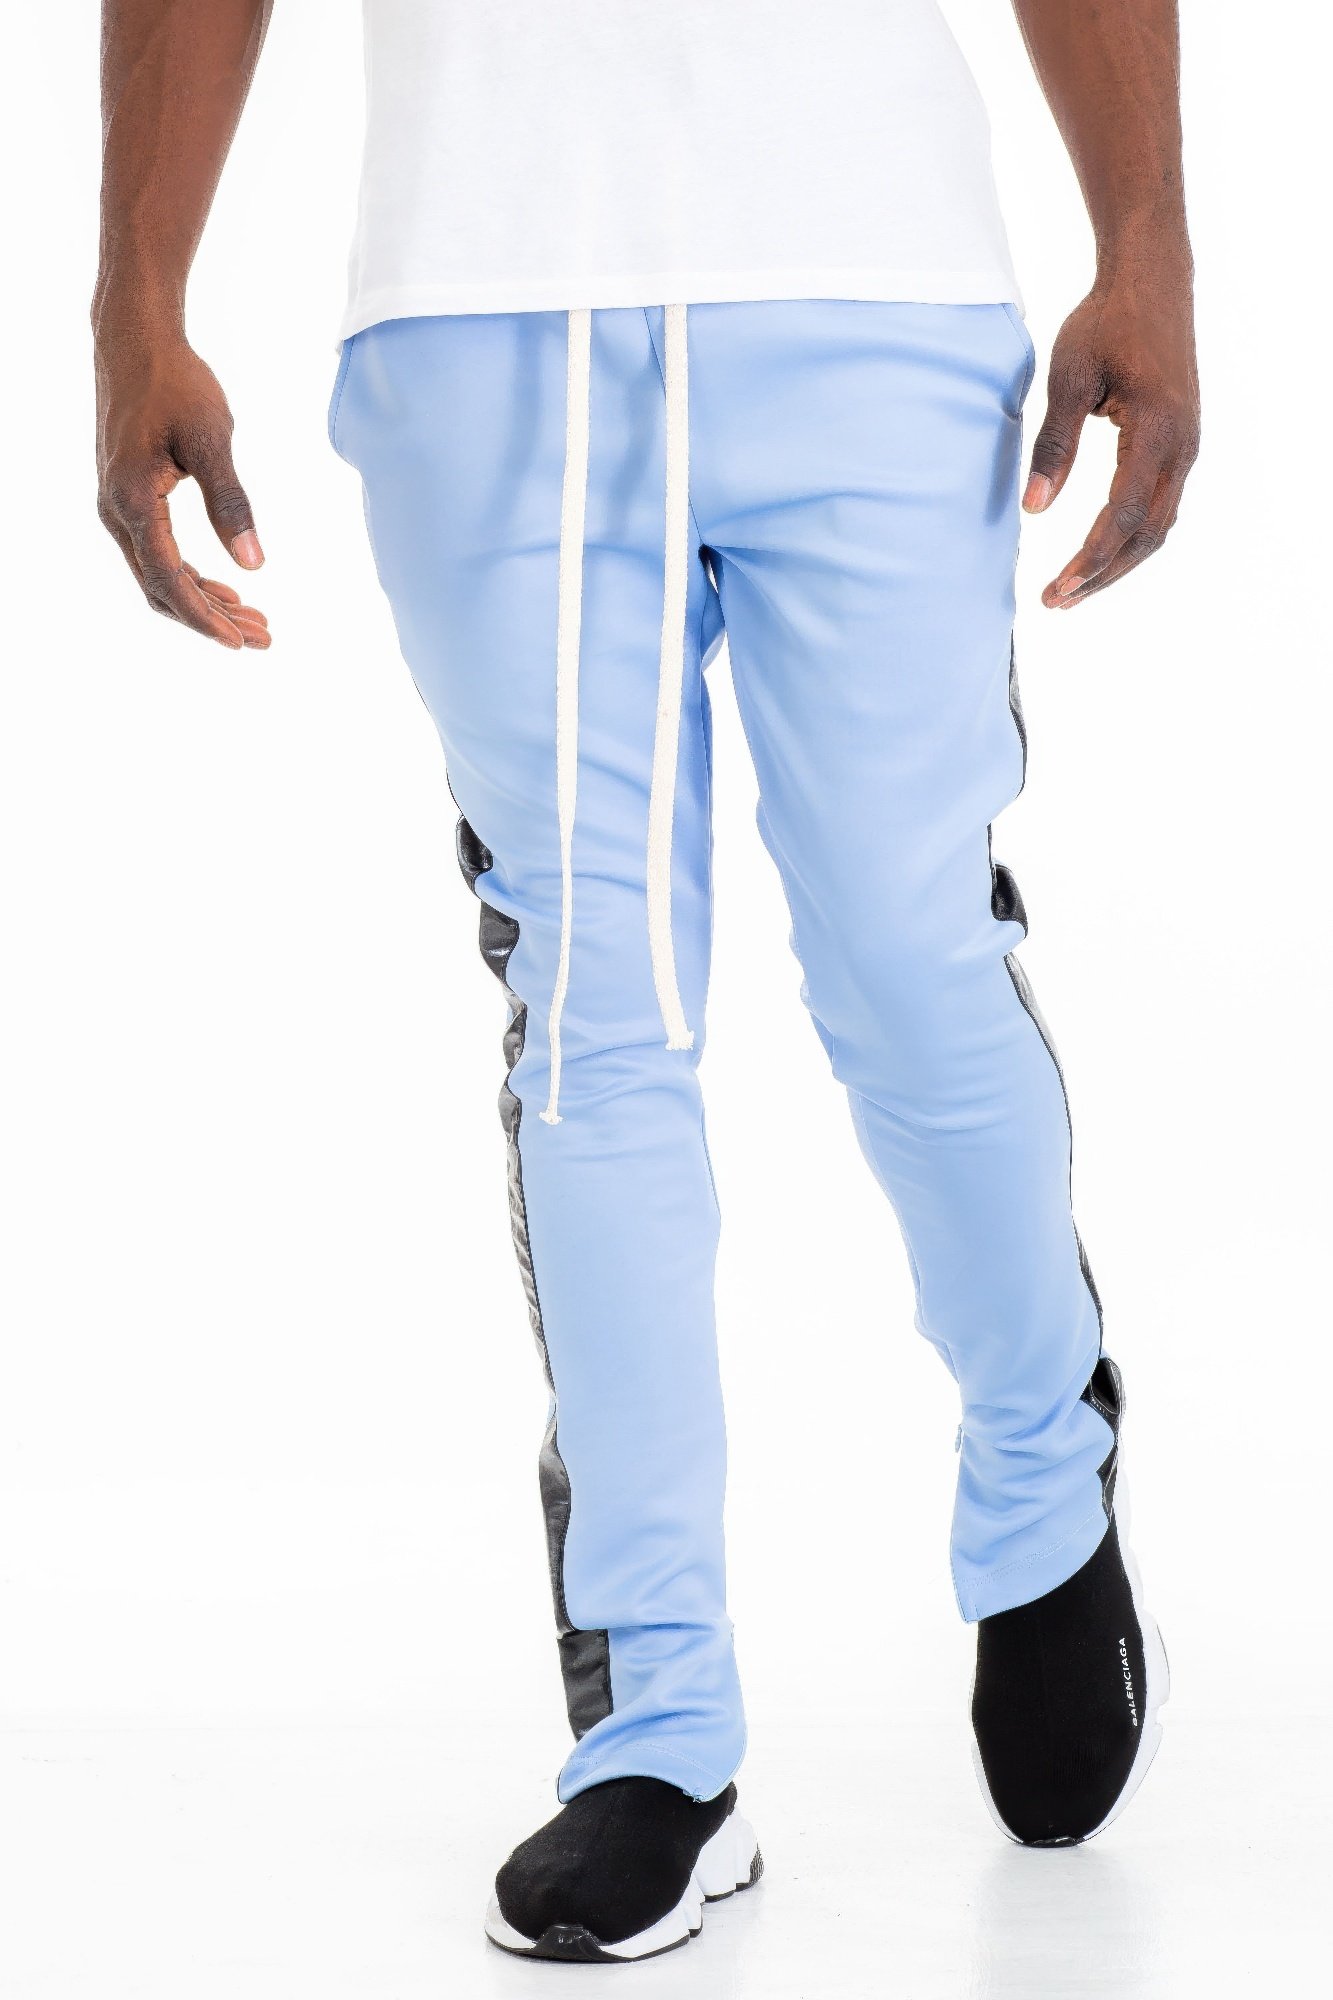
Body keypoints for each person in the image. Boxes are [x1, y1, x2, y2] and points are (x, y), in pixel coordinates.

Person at [93, 0, 1199, 1965]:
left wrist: (1147, 241)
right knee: (593, 1015)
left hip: (867, 268)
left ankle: (1045, 1468)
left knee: (907, 955)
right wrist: (137, 298)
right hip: (478, 297)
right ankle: (659, 1739)